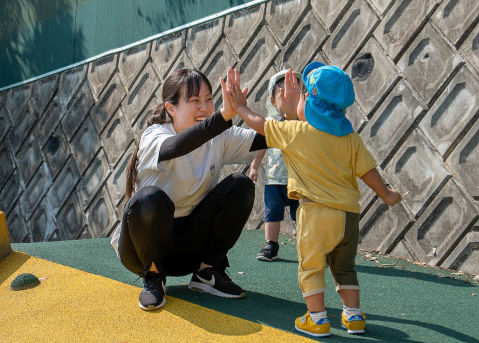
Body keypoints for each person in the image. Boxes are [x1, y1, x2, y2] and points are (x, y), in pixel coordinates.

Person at [224, 63, 403, 337]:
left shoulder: (297, 134)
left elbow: (261, 125)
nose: (299, 98)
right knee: (344, 267)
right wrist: (387, 195)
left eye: (304, 95)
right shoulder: (350, 138)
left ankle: (317, 319)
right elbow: (368, 171)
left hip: (315, 214)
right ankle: (353, 316)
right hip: (348, 217)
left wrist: (241, 108)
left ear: (311, 104)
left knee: (311, 266)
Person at [110, 68, 267, 311]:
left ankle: (206, 273)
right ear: (171, 108)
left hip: (187, 248)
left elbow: (266, 138)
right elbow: (176, 147)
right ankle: (153, 279)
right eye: (194, 101)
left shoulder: (219, 135)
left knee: (241, 185)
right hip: (141, 250)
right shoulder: (157, 134)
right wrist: (223, 116)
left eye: (208, 99)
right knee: (149, 199)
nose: (204, 108)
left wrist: (293, 116)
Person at [249, 70, 301, 262]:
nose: (290, 98)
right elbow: (262, 145)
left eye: (295, 93)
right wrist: (254, 166)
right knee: (272, 214)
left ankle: (307, 245)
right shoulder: (270, 123)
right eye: (284, 94)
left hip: (299, 180)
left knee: (302, 215)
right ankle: (271, 244)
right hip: (274, 179)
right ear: (273, 100)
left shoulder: (303, 122)